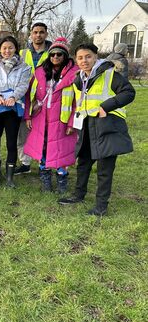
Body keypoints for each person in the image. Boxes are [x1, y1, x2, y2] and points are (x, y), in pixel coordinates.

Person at [58, 43, 135, 216]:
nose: (84, 60)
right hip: (86, 125)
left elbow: (129, 92)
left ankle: (101, 206)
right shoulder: (79, 79)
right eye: (80, 58)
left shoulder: (109, 74)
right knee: (83, 163)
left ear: (95, 57)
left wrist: (106, 106)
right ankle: (79, 195)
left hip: (107, 125)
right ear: (76, 60)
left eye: (88, 56)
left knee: (104, 169)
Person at [23, 37, 78, 193]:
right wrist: (28, 116)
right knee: (43, 149)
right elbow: (29, 95)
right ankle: (45, 179)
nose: (55, 57)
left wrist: (71, 123)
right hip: (41, 119)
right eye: (52, 54)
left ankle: (62, 180)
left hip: (62, 119)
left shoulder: (74, 74)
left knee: (62, 151)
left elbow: (77, 102)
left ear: (65, 56)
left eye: (59, 54)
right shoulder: (40, 71)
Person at [0, 36, 31, 187]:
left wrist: (13, 96)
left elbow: (23, 85)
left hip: (13, 107)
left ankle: (10, 177)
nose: (7, 51)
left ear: (15, 49)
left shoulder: (24, 67)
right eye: (4, 48)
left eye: (10, 48)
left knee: (11, 142)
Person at [16, 22, 52, 175]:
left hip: (45, 97)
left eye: (41, 32)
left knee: (45, 133)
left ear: (46, 34)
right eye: (35, 32)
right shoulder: (22, 53)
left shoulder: (53, 52)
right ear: (30, 34)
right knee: (22, 132)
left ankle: (46, 163)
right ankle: (25, 163)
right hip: (25, 96)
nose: (38, 35)